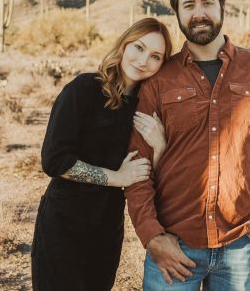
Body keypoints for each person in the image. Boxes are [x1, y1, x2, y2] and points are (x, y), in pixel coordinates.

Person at [125, 0, 250, 291]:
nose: (199, 12)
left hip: (241, 243)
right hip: (175, 244)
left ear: (222, 8)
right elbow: (138, 166)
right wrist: (152, 235)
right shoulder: (159, 80)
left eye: (207, 2)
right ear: (177, 14)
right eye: (188, 5)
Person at [32, 17, 173, 291]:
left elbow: (147, 176)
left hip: (107, 226)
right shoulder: (83, 89)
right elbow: (54, 160)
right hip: (64, 222)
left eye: (155, 56)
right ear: (124, 45)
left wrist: (160, 145)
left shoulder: (146, 109)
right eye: (139, 48)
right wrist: (116, 178)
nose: (143, 60)